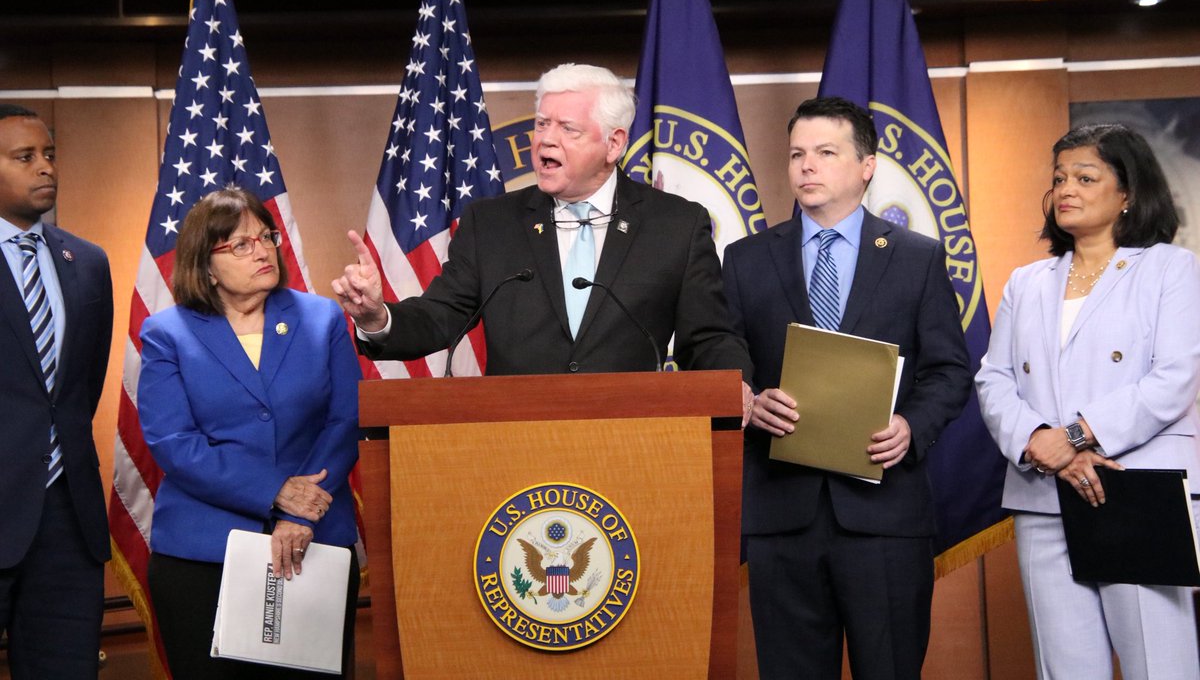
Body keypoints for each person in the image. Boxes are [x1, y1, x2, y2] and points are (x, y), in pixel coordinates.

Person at [723, 96, 972, 680]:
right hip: (782, 515)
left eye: (826, 153)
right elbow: (723, 358)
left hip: (884, 515)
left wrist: (912, 427)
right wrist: (750, 399)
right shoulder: (744, 260)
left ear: (866, 165)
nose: (807, 166)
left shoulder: (917, 258)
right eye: (796, 155)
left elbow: (949, 371)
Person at [333, 62, 753, 383]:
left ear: (614, 143)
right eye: (541, 124)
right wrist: (376, 319)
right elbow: (441, 316)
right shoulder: (491, 224)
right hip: (517, 445)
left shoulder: (675, 225)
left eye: (567, 129)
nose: (546, 140)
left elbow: (709, 338)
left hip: (633, 442)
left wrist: (740, 388)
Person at [977, 123, 1200, 680]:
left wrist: (1074, 437)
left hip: (1137, 486)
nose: (1065, 190)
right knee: (1065, 667)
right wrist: (1040, 445)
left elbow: (1172, 379)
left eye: (1084, 176)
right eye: (1058, 179)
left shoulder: (1171, 269)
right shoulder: (1027, 281)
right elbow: (993, 379)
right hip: (1043, 493)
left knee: (1159, 664)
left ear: (1127, 192)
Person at [138, 188, 361, 679]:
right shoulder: (167, 333)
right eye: (239, 245)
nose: (262, 250)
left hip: (314, 539)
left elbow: (345, 420)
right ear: (206, 264)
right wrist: (276, 493)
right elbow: (175, 442)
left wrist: (303, 510)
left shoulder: (321, 318)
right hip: (203, 553)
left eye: (266, 237)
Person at [0, 104, 113, 678]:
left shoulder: (87, 262)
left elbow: (79, 389)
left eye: (49, 155)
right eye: (25, 157)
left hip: (68, 517)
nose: (45, 168)